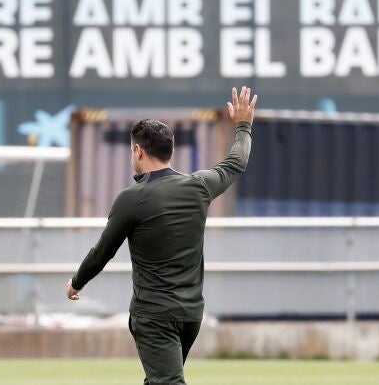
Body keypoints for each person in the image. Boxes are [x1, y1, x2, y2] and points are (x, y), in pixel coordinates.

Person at [66, 86, 257, 385]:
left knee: (166, 382)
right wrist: (243, 125)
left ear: (138, 151)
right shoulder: (200, 186)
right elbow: (236, 162)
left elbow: (102, 252)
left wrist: (76, 282)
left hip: (155, 316)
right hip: (191, 315)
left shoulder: (132, 199)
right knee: (160, 379)